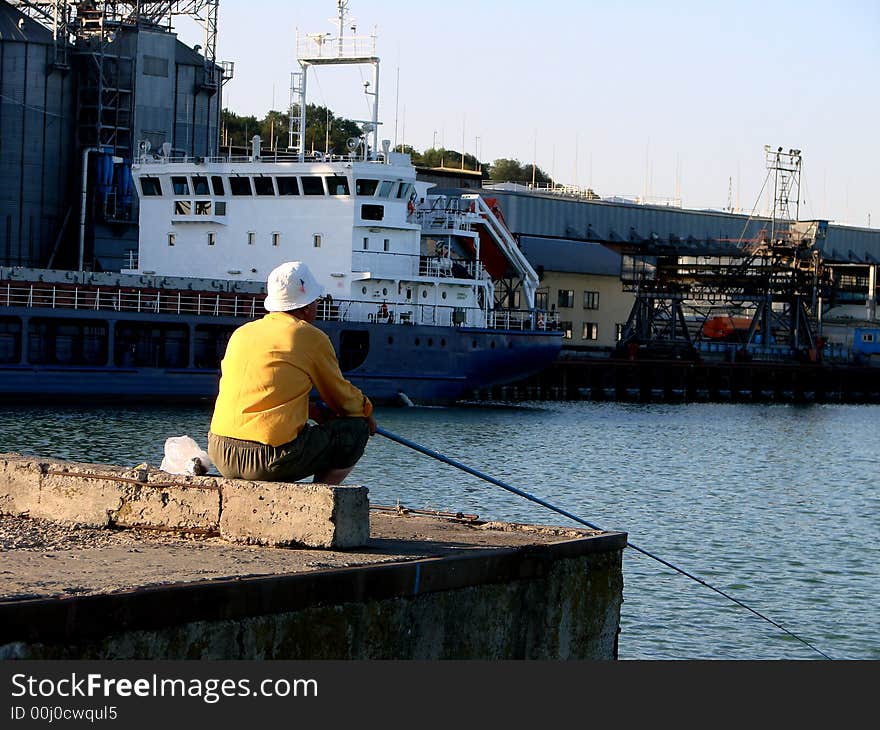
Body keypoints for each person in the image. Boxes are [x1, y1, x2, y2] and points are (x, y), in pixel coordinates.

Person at [208, 261, 377, 484]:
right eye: (316, 300)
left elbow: (261, 392)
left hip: (221, 452)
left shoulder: (242, 333)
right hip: (265, 460)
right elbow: (342, 398)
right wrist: (365, 412)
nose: (318, 305)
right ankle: (319, 503)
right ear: (306, 307)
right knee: (355, 431)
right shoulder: (309, 336)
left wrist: (313, 411)